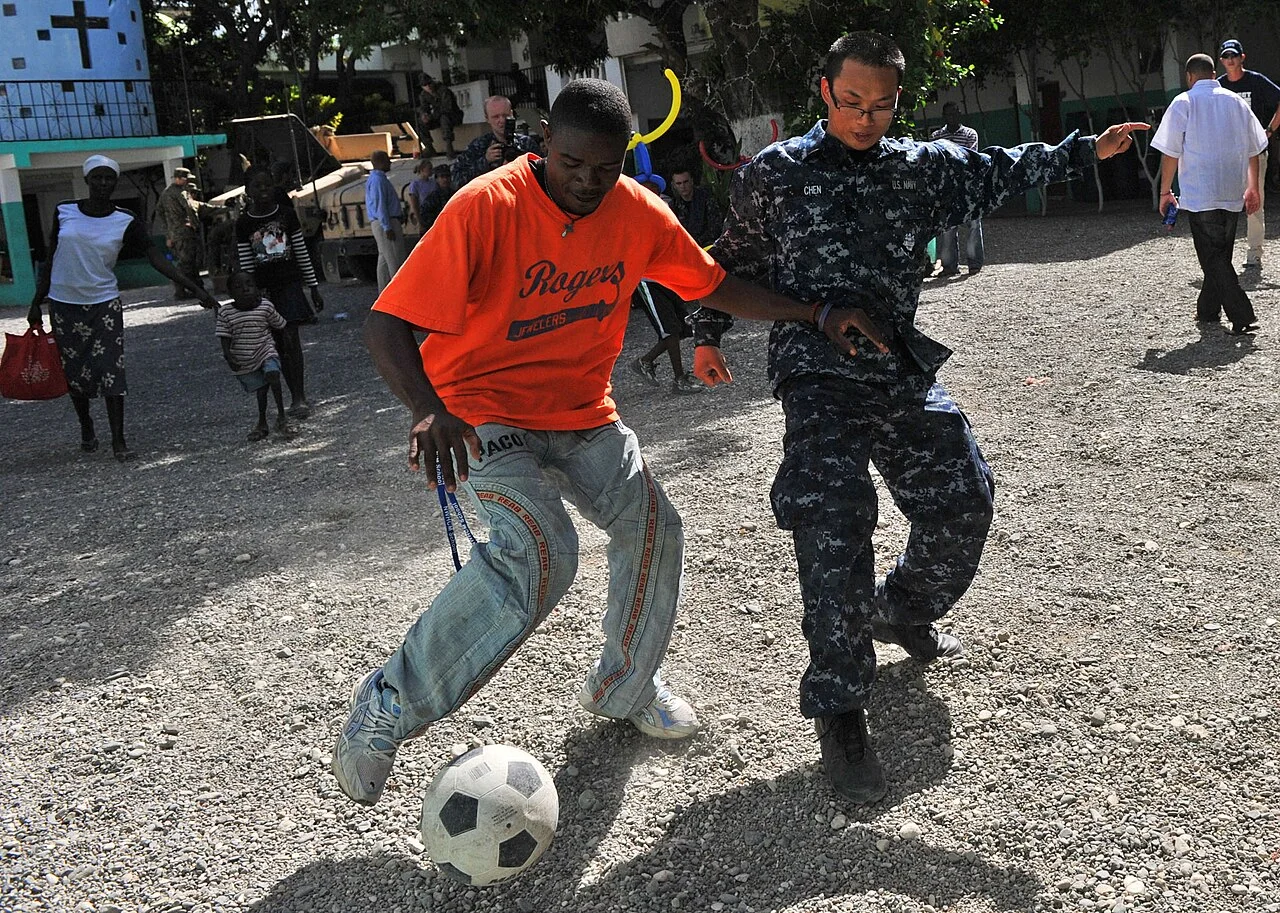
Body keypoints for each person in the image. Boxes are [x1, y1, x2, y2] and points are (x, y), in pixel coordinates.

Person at [329, 78, 883, 807]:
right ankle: (387, 706)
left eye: (605, 166)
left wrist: (813, 312)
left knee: (654, 523)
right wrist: (427, 409)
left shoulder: (636, 213)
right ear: (543, 148)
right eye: (571, 164)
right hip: (480, 410)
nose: (587, 182)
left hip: (581, 411)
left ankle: (624, 685)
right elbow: (385, 323)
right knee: (541, 547)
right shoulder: (485, 206)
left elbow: (711, 284)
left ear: (626, 158)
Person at [691, 32, 1148, 805]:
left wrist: (1084, 149)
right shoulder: (776, 174)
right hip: (818, 377)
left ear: (897, 100)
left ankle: (900, 609)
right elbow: (731, 258)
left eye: (882, 105)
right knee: (832, 525)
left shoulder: (918, 167)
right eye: (851, 102)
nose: (866, 118)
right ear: (824, 89)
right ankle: (839, 708)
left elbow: (1001, 167)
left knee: (964, 499)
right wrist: (706, 335)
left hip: (897, 366)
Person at [27, 155, 216, 460]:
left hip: (104, 303)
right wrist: (37, 301)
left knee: (111, 371)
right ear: (87, 180)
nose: (103, 183)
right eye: (97, 178)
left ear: (115, 182)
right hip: (64, 303)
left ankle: (118, 439)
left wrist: (196, 289)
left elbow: (155, 257)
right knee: (76, 374)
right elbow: (52, 255)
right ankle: (87, 427)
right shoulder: (64, 211)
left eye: (109, 178)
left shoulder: (125, 219)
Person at [1155, 54, 1265, 335]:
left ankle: (1242, 313)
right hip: (1232, 187)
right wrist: (1252, 186)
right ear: (1214, 74)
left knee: (1212, 256)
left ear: (1189, 76)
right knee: (1220, 251)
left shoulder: (1184, 102)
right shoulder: (1236, 101)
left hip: (1201, 190)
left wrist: (1165, 190)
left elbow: (1171, 151)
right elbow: (1255, 148)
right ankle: (1207, 310)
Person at [235, 164, 324, 420]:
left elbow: (301, 251)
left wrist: (313, 287)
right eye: (257, 186)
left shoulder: (286, 215)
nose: (263, 190)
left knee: (291, 340)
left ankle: (299, 396)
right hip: (263, 291)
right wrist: (249, 295)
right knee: (276, 345)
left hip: (290, 285)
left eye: (267, 185)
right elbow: (246, 262)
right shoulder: (244, 223)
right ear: (248, 191)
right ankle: (286, 397)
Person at [1217, 40, 1280, 273]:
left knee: (1255, 202)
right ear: (1221, 60)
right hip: (1226, 155)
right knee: (1224, 203)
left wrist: (1269, 131)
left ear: (1242, 57)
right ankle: (1221, 255)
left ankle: (1254, 254)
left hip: (1254, 152)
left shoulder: (1256, 81)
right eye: (1225, 56)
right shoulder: (1218, 86)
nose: (1230, 60)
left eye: (1233, 55)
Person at [216, 271, 296, 440]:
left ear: (257, 289)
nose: (245, 290)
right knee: (261, 390)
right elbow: (224, 336)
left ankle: (282, 416)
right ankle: (262, 421)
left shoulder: (265, 307)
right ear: (230, 293)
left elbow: (281, 326)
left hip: (266, 350)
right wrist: (229, 356)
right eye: (238, 287)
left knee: (273, 375)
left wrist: (287, 348)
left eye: (249, 285)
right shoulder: (226, 313)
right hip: (244, 358)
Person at [930, 102, 984, 276]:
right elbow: (935, 162)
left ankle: (974, 263)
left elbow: (970, 157)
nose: (951, 117)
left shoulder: (970, 134)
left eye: (954, 113)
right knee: (947, 227)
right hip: (947, 188)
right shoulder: (937, 136)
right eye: (948, 114)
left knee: (973, 225)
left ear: (959, 114)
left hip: (968, 186)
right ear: (944, 116)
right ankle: (949, 265)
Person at [450, 95, 543, 188]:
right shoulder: (479, 145)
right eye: (496, 117)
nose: (501, 120)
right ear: (487, 118)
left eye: (505, 115)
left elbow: (544, 175)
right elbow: (456, 181)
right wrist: (485, 161)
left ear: (511, 114)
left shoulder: (526, 143)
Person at [156, 166, 205, 299]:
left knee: (186, 262)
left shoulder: (165, 193)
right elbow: (189, 209)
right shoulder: (181, 192)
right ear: (178, 179)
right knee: (187, 263)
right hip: (184, 232)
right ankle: (182, 290)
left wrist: (168, 230)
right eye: (185, 179)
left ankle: (195, 288)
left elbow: (159, 211)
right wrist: (194, 224)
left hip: (174, 234)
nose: (187, 182)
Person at [365, 149, 407, 291]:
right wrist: (387, 227)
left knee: (384, 258)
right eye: (387, 160)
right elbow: (380, 204)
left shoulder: (374, 179)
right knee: (395, 259)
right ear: (380, 162)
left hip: (380, 222)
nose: (389, 163)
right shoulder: (378, 180)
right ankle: (399, 293)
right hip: (386, 221)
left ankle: (383, 291)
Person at [417, 75, 461, 157]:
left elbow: (447, 108)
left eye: (429, 83)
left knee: (444, 118)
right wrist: (424, 115)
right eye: (425, 85)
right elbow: (424, 107)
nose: (428, 86)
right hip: (438, 117)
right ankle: (429, 147)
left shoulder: (443, 90)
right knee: (420, 122)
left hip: (453, 116)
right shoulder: (424, 95)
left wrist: (432, 116)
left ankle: (449, 146)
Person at [417, 166, 455, 231]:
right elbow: (424, 215)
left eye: (447, 176)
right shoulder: (432, 197)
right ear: (437, 179)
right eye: (442, 177)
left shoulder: (455, 195)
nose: (445, 179)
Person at [405, 158, 435, 235]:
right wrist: (420, 221)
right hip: (423, 213)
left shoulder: (433, 183)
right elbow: (415, 204)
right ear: (422, 170)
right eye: (429, 169)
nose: (431, 171)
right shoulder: (415, 184)